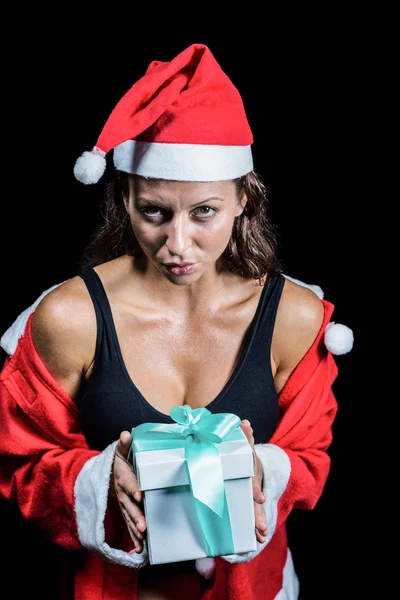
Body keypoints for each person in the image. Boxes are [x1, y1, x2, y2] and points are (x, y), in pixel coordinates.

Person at [0, 43, 353, 600]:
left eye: (205, 212)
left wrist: (260, 473)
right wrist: (95, 480)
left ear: (244, 199)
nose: (177, 245)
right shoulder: (71, 317)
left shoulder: (293, 317)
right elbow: (23, 462)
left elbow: (310, 457)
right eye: (154, 212)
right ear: (126, 201)